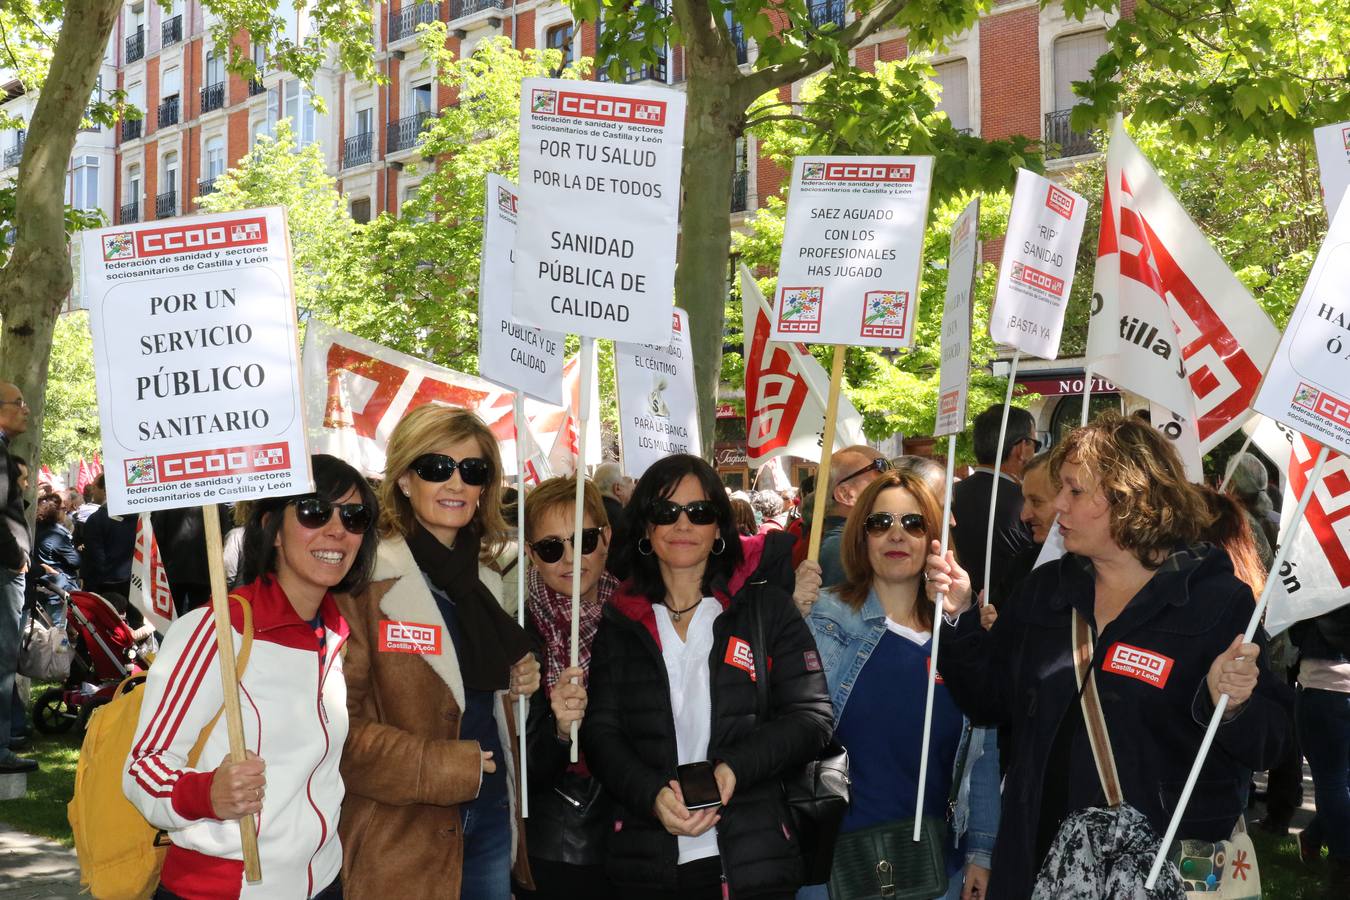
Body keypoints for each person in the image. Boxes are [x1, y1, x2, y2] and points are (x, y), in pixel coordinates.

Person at [929, 413, 1293, 899]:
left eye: (1074, 491)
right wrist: (958, 618)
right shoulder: (1046, 591)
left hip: (1155, 873)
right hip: (1040, 865)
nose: (1058, 504)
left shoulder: (1215, 601)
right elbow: (988, 698)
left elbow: (1271, 742)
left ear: (1129, 497)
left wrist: (1234, 702)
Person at [124, 454, 379, 898]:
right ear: (272, 528)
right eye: (314, 511)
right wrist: (206, 793)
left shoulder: (336, 634)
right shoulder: (216, 629)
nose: (337, 529)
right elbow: (142, 767)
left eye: (354, 517)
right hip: (230, 887)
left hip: (322, 883)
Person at [581, 454, 833, 900]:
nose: (683, 525)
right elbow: (601, 734)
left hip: (753, 861)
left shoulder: (765, 611)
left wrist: (734, 769)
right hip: (645, 865)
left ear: (719, 526)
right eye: (665, 512)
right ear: (645, 527)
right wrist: (651, 794)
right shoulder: (619, 621)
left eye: (699, 512)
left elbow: (811, 717)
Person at [337, 405, 541, 900]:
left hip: (491, 814)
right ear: (405, 479)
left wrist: (519, 691)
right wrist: (448, 767)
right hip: (401, 829)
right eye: (436, 468)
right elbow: (339, 733)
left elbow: (477, 704)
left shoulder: (487, 581)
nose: (455, 483)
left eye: (472, 471)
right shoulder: (364, 581)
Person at [801, 470, 1000, 900]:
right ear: (861, 537)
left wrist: (981, 851)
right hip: (833, 872)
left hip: (935, 871)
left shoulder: (959, 638)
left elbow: (983, 753)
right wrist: (787, 617)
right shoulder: (821, 618)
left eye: (912, 523)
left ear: (934, 538)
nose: (896, 535)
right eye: (880, 523)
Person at [518, 476, 618, 899]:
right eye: (551, 547)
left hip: (636, 833)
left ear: (607, 537)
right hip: (560, 843)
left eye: (585, 539)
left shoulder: (637, 615)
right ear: (531, 555)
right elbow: (522, 772)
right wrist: (560, 731)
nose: (572, 558)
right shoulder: (516, 630)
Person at [949, 405, 1038, 605]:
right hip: (1012, 619)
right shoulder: (1031, 505)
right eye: (1035, 444)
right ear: (1022, 448)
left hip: (958, 615)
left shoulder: (947, 498)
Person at [1289, 604, 1350, 888]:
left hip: (1323, 686)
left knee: (1333, 783)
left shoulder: (1324, 570)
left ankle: (1341, 861)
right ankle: (1319, 842)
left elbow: (1298, 629)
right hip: (1326, 686)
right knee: (1338, 782)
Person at [0, 382, 34, 772]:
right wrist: (14, 559)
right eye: (19, 403)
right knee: (3, 658)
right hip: (3, 572)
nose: (25, 410)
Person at [817, 446, 890, 588]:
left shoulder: (855, 542)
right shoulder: (844, 550)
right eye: (878, 470)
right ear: (845, 494)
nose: (893, 483)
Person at [593, 462, 634, 580]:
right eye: (630, 482)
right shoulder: (625, 520)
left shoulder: (585, 513)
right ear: (617, 488)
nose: (634, 487)